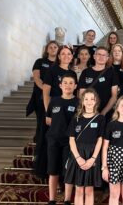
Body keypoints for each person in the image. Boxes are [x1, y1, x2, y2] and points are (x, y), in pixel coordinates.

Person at [64, 89, 104, 205]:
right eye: (86, 99)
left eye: (92, 99)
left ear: (96, 101)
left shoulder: (100, 118)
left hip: (92, 154)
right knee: (79, 189)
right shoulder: (76, 118)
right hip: (78, 154)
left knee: (89, 190)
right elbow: (71, 140)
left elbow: (100, 140)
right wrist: (78, 158)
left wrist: (93, 159)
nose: (89, 101)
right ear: (82, 101)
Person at [45, 73, 79, 205]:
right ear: (60, 85)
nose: (68, 85)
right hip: (53, 140)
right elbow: (48, 120)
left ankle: (67, 200)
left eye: (71, 83)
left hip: (69, 142)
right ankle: (52, 200)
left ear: (75, 86)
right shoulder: (54, 101)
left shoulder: (78, 103)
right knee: (53, 171)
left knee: (68, 171)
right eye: (65, 82)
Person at [28, 40, 59, 179]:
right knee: (42, 127)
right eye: (51, 47)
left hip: (56, 100)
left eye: (55, 47)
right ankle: (38, 158)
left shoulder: (59, 64)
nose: (53, 49)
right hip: (42, 99)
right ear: (47, 49)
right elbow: (37, 78)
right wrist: (47, 91)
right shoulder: (40, 61)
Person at [78, 47, 119, 121]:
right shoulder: (86, 72)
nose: (101, 57)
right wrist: (89, 111)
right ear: (94, 56)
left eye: (104, 55)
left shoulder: (112, 73)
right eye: (99, 54)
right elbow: (81, 94)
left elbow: (114, 96)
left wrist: (103, 112)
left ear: (107, 58)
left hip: (106, 113)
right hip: (88, 112)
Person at [43, 45, 77, 114]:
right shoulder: (52, 70)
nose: (66, 56)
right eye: (63, 54)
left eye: (69, 54)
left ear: (72, 57)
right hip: (55, 108)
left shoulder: (73, 74)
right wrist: (48, 112)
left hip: (70, 108)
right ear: (59, 56)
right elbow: (46, 94)